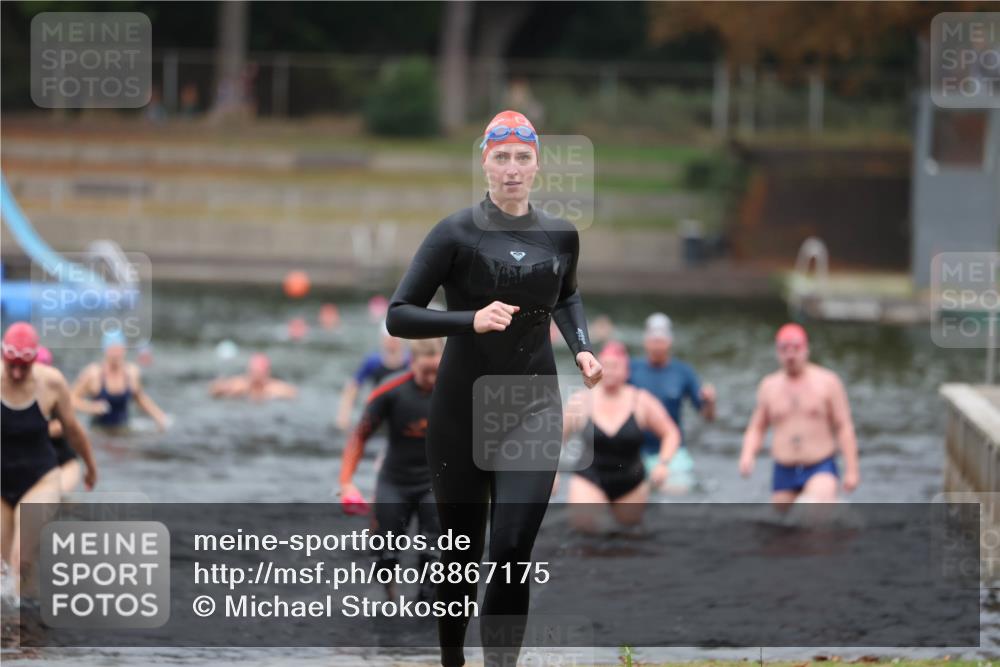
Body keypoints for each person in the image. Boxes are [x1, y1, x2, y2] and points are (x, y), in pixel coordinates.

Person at [386, 109, 602, 667]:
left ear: (537, 165)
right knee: (461, 560)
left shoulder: (560, 234)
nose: (512, 169)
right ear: (485, 162)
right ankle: (453, 661)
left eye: (522, 158)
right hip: (460, 411)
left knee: (510, 550)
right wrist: (469, 320)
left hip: (531, 406)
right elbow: (399, 315)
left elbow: (568, 294)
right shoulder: (455, 233)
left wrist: (580, 346)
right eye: (501, 157)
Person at [338, 338, 443, 602]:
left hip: (435, 484)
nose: (431, 378)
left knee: (434, 555)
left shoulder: (456, 390)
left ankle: (426, 606)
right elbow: (359, 438)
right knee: (385, 556)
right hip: (394, 482)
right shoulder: (391, 391)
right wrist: (346, 481)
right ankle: (389, 598)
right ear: (412, 363)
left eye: (436, 370)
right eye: (425, 371)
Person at [2, 324, 97, 586]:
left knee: (20, 560)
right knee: (5, 572)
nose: (18, 373)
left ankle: (27, 620)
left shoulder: (51, 383)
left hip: (40, 479)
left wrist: (90, 466)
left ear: (34, 360)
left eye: (25, 366)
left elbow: (74, 430)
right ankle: (16, 619)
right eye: (12, 366)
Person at [739, 323, 860, 506]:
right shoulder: (769, 386)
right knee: (783, 528)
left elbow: (843, 426)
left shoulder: (827, 382)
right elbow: (757, 427)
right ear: (777, 352)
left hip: (819, 466)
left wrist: (852, 470)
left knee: (810, 509)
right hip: (784, 469)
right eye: (784, 349)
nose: (790, 355)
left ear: (806, 349)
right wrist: (747, 456)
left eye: (796, 348)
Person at [564, 341, 680, 530]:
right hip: (590, 478)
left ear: (627, 371)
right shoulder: (581, 400)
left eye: (616, 366)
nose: (610, 372)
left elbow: (671, 433)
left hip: (631, 481)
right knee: (584, 533)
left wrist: (663, 463)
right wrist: (550, 474)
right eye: (606, 366)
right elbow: (555, 438)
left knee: (628, 539)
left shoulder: (641, 401)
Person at [629, 313, 716, 490]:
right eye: (653, 340)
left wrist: (710, 402)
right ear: (645, 341)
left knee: (677, 493)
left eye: (661, 340)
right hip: (636, 450)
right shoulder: (630, 370)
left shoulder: (683, 372)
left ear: (669, 342)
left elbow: (707, 417)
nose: (657, 346)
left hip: (673, 449)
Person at [72, 329, 170, 431]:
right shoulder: (92, 373)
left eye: (118, 348)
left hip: (123, 429)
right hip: (99, 431)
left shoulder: (132, 373)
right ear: (105, 350)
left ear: (124, 349)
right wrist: (91, 407)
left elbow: (140, 398)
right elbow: (71, 400)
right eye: (112, 349)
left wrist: (159, 416)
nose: (115, 353)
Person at [335, 322, 409, 430]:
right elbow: (352, 387)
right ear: (382, 340)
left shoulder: (411, 362)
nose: (392, 342)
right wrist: (344, 416)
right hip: (380, 408)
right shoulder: (373, 361)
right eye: (388, 338)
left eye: (394, 338)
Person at [35, 347, 83, 494]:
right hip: (33, 462)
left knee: (57, 498)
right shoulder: (16, 393)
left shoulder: (56, 391)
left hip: (64, 462)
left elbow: (63, 428)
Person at [210, 353, 298, 401]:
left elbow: (293, 393)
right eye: (254, 372)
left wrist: (265, 394)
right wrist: (226, 390)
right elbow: (214, 389)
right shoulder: (241, 384)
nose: (256, 376)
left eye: (259, 372)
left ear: (267, 373)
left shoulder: (274, 387)